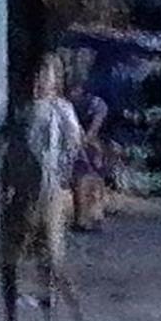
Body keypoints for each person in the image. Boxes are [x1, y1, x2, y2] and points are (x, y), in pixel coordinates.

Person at [0, 52, 85, 321]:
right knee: (10, 260)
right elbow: (11, 151)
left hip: (50, 195)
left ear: (56, 81)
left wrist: (62, 185)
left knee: (51, 263)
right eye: (37, 76)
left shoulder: (62, 112)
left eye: (46, 76)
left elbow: (73, 148)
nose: (39, 82)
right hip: (21, 195)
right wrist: (7, 185)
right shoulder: (22, 112)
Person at [67, 51, 112, 232]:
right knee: (84, 182)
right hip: (82, 145)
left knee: (86, 182)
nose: (74, 93)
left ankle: (92, 216)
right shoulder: (71, 104)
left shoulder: (95, 104)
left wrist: (85, 140)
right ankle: (87, 217)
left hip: (86, 145)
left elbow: (93, 128)